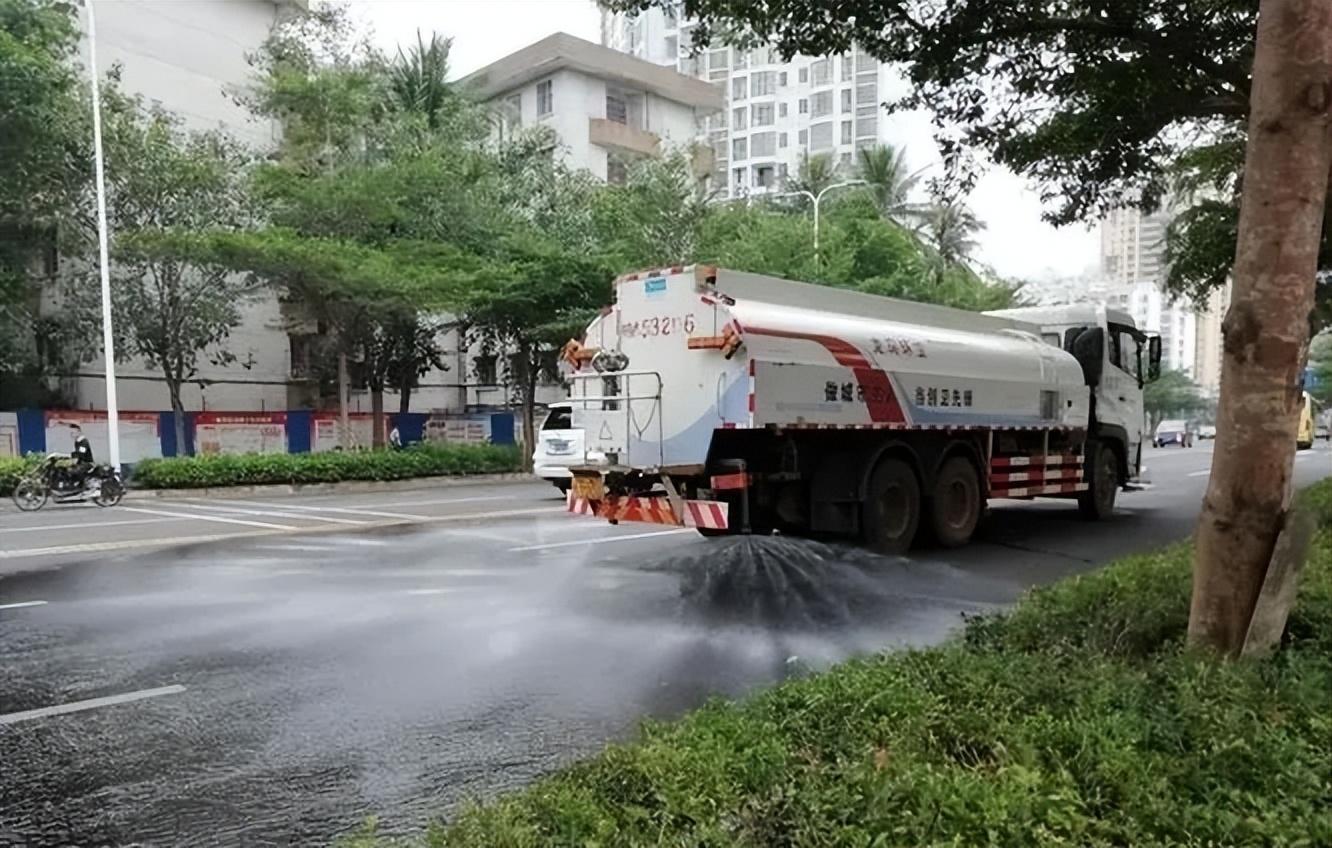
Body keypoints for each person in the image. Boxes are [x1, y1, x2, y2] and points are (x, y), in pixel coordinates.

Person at [62, 424, 95, 491]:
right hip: (81, 462)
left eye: (73, 433)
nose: (71, 435)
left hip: (87, 463)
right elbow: (76, 454)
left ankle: (80, 487)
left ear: (78, 432)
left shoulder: (84, 442)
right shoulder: (77, 442)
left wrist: (70, 457)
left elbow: (81, 454)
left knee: (72, 471)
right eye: (70, 433)